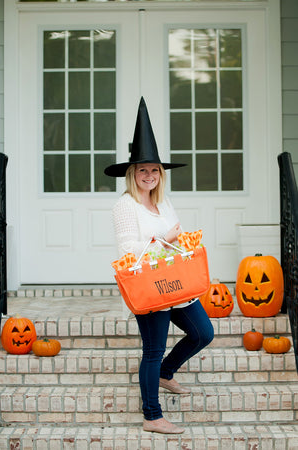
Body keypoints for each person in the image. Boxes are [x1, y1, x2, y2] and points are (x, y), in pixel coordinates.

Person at [104, 97, 214, 434]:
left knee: (202, 333)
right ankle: (152, 415)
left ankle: (167, 373)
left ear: (160, 174)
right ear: (132, 173)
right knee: (152, 348)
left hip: (176, 284)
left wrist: (182, 242)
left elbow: (174, 240)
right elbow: (127, 250)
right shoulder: (125, 206)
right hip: (149, 287)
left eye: (154, 170)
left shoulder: (165, 203)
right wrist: (163, 239)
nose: (149, 175)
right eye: (142, 170)